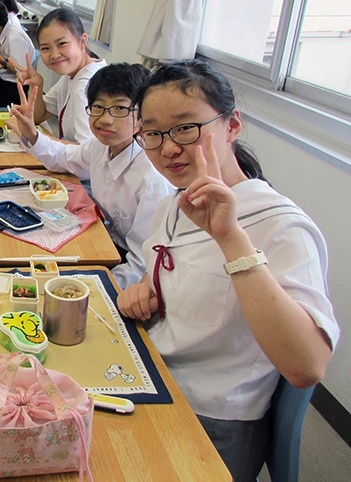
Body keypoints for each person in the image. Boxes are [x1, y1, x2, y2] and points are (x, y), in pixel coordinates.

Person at [116, 60, 339, 481]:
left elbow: (307, 365)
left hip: (211, 421)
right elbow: (175, 268)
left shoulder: (280, 224)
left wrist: (230, 237)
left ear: (232, 124)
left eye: (185, 128)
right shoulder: (175, 204)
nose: (168, 148)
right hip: (155, 377)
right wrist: (144, 288)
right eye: (152, 133)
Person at [7, 63, 175, 290]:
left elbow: (143, 263)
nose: (105, 119)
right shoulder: (100, 147)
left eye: (119, 109)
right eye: (98, 107)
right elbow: (64, 157)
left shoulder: (150, 179)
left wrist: (98, 291)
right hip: (106, 243)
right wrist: (32, 133)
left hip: (133, 270)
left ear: (143, 116)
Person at [14, 7, 107, 144]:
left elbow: (87, 153)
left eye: (62, 44)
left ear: (83, 41)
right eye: (46, 48)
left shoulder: (86, 86)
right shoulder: (72, 75)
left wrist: (34, 137)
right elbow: (39, 116)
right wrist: (37, 85)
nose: (54, 55)